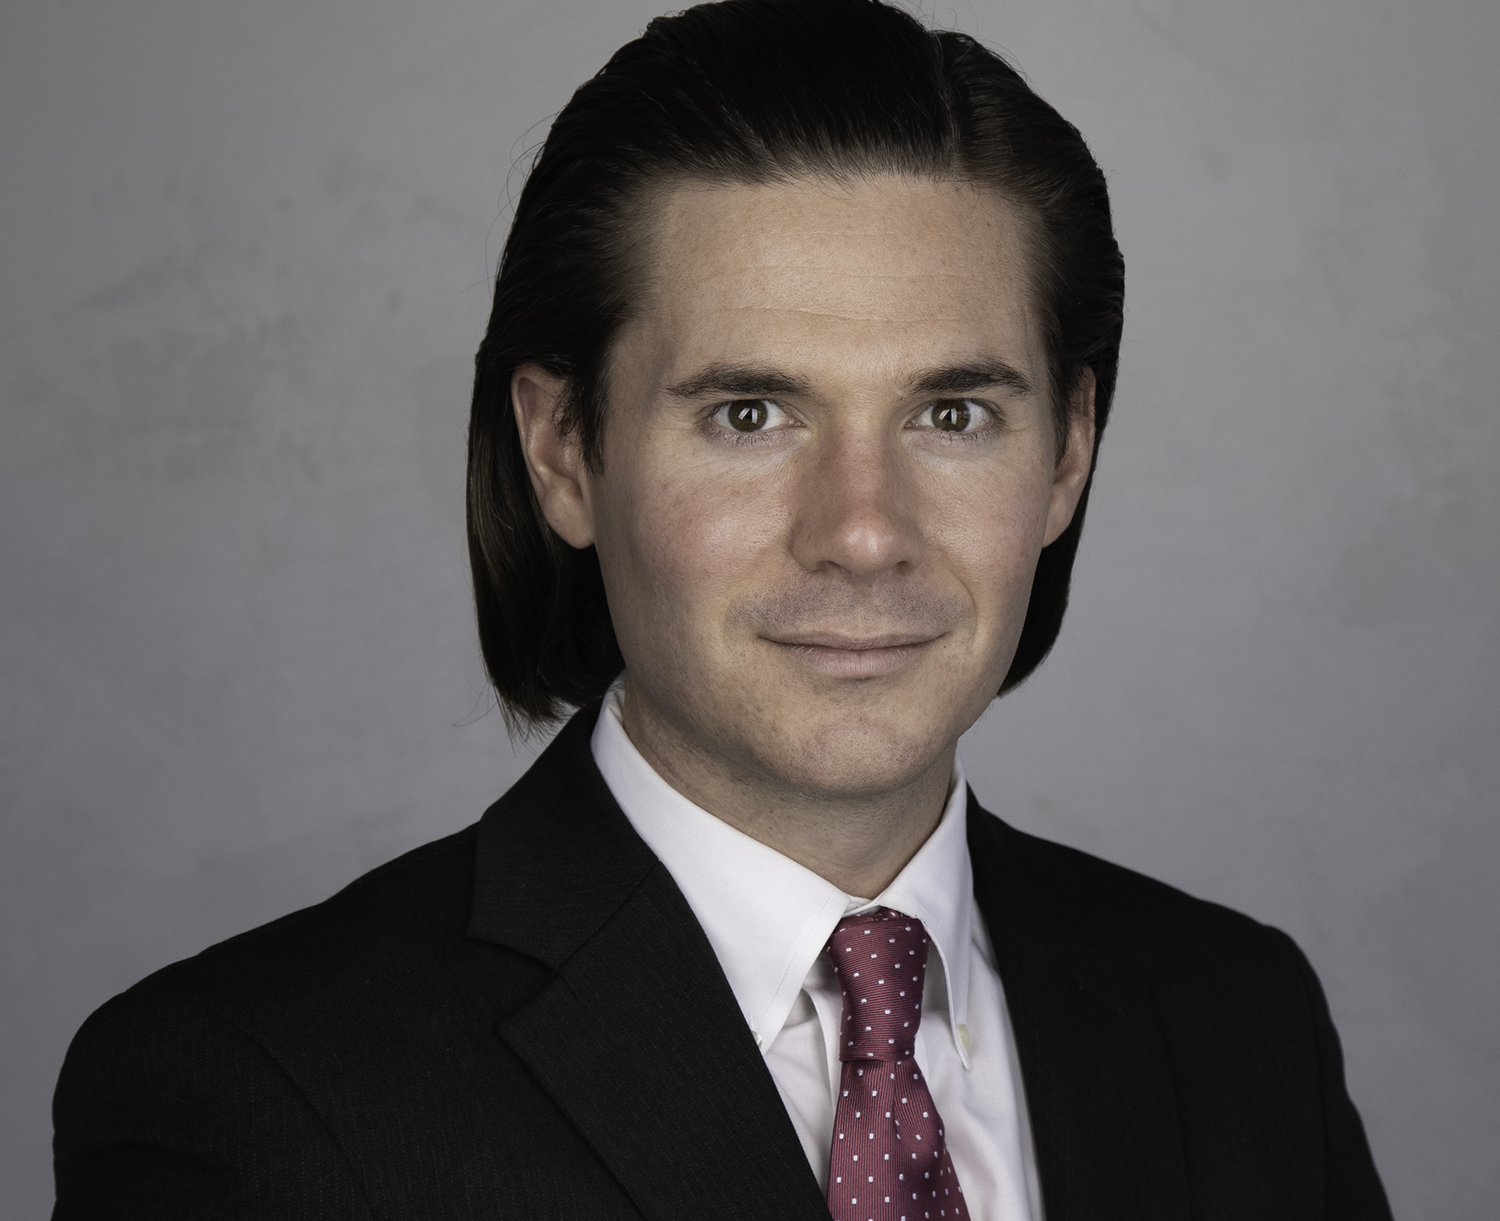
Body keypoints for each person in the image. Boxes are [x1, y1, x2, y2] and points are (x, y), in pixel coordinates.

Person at [51, 1, 1393, 1218]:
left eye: (952, 413)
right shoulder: (255, 1101)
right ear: (563, 450)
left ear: (1068, 451)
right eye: (750, 414)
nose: (862, 532)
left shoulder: (1239, 1022)